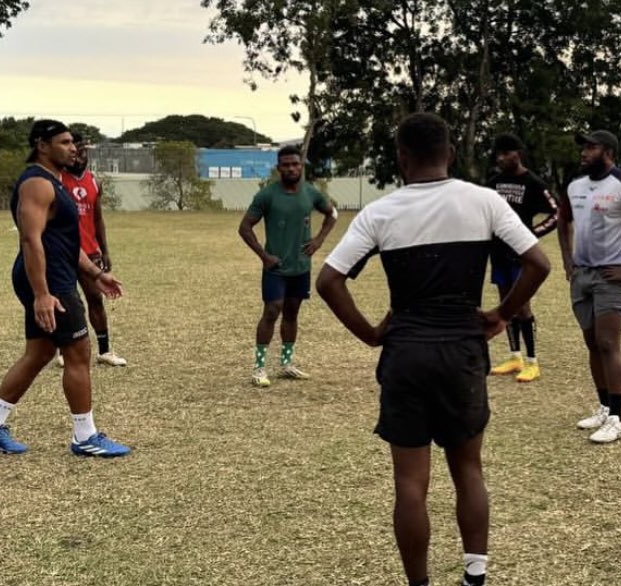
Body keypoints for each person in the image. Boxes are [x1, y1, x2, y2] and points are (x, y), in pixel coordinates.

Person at [316, 113, 551, 586]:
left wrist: (369, 333)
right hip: (462, 352)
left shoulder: (380, 212)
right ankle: (475, 576)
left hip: (405, 355)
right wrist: (501, 313)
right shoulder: (483, 201)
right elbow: (538, 263)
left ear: (401, 158)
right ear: (451, 154)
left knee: (410, 483)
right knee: (468, 468)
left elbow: (328, 281)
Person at [0, 120, 130, 457]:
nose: (73, 148)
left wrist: (95, 273)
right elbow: (31, 239)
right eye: (65, 142)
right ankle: (85, 437)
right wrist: (43, 293)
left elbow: (66, 241)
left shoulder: (55, 184)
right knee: (77, 351)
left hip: (56, 274)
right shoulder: (37, 184)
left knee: (41, 352)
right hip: (48, 280)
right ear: (43, 145)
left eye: (73, 142)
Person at [557, 130, 621, 444]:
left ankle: (618, 418)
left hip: (611, 277)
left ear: (609, 152)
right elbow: (563, 222)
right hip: (582, 276)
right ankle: (604, 407)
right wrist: (567, 261)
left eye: (591, 147)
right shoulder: (574, 185)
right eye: (584, 148)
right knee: (592, 343)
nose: (584, 153)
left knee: (607, 343)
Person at [238, 145, 337, 387]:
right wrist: (264, 256)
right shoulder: (267, 195)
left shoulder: (311, 194)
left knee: (292, 313)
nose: (291, 168)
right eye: (286, 165)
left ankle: (286, 364)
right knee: (272, 310)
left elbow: (332, 214)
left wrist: (318, 240)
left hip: (300, 266)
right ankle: (259, 368)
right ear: (278, 168)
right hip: (276, 266)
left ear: (301, 166)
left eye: (295, 164)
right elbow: (244, 227)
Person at [485, 133, 558, 382]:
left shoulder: (533, 183)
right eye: (498, 154)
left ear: (518, 153)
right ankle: (514, 356)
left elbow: (556, 214)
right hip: (498, 253)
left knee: (523, 307)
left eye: (506, 153)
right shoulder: (493, 182)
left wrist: (530, 234)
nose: (501, 158)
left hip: (520, 256)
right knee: (505, 304)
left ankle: (532, 361)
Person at [58, 132, 127, 367]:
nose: (80, 157)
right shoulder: (56, 180)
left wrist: (104, 250)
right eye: (76, 152)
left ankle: (104, 351)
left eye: (84, 152)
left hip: (90, 251)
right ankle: (61, 349)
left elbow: (98, 219)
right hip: (64, 251)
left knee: (95, 299)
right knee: (65, 301)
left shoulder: (95, 182)